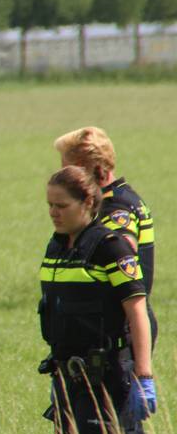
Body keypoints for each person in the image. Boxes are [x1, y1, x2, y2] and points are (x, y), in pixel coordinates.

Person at [40, 166, 156, 434]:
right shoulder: (57, 246)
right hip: (70, 381)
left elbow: (137, 310)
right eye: (49, 205)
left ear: (88, 202)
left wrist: (144, 375)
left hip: (109, 377)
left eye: (61, 205)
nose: (54, 212)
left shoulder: (111, 246)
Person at [55, 126, 157, 343]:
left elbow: (123, 252)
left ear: (82, 169)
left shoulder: (115, 208)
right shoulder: (121, 195)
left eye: (66, 169)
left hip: (122, 328)